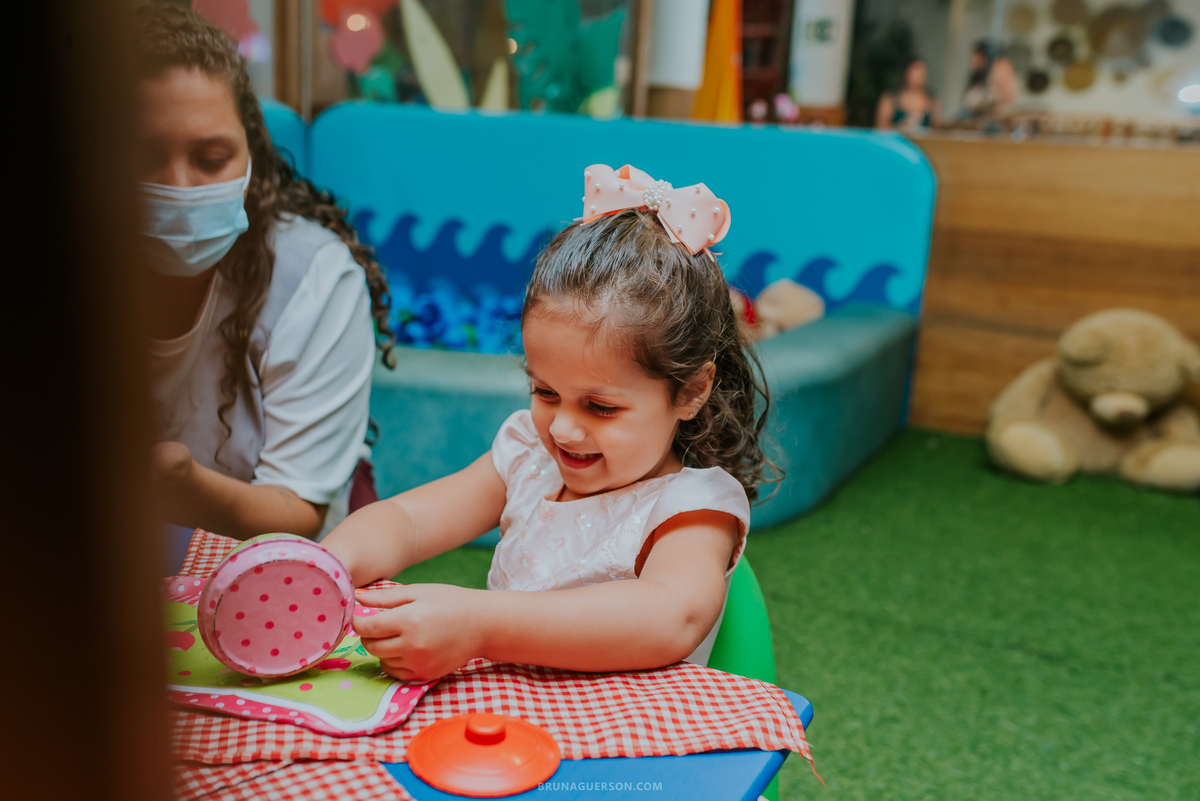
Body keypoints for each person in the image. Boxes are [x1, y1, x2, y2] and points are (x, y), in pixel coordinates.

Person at [322, 166, 778, 681]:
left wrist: (481, 626)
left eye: (600, 407)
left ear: (691, 390)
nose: (562, 429)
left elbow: (669, 617)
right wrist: (330, 563)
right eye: (545, 392)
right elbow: (409, 521)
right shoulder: (527, 456)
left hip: (617, 747)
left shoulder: (691, 508)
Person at [135, 5, 395, 541]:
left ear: (250, 161)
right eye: (144, 156)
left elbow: (298, 509)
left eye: (210, 158)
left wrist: (175, 481)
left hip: (280, 548)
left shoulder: (313, 280)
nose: (180, 188)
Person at [876, 58, 939, 132]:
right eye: (916, 69)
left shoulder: (931, 99)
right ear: (905, 72)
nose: (920, 74)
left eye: (923, 70)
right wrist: (901, 127)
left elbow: (936, 129)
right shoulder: (891, 97)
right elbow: (880, 126)